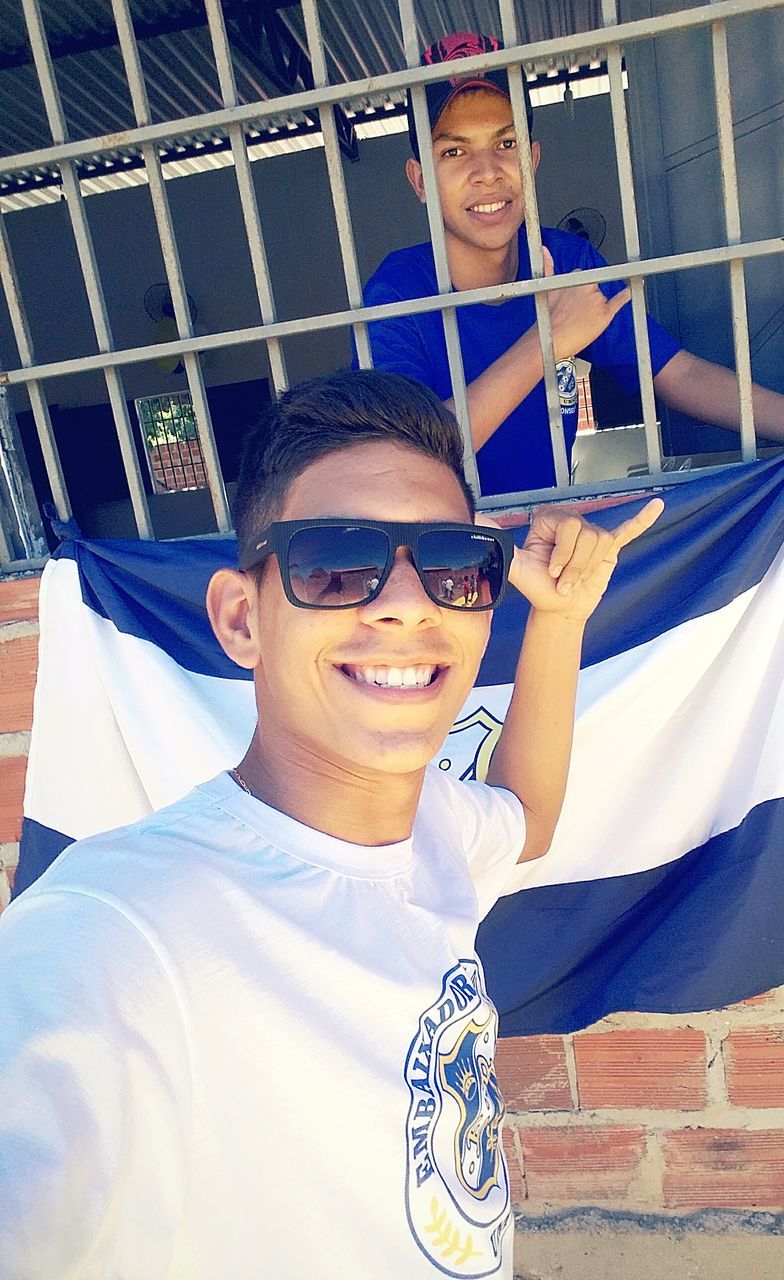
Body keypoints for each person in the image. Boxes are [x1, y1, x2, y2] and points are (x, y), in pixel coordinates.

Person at [0, 369, 662, 1278]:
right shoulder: (114, 934)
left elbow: (528, 819)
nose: (404, 603)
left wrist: (560, 618)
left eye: (452, 565)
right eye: (333, 564)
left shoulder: (437, 832)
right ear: (243, 619)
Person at [360, 30, 784, 496]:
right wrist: (548, 339)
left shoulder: (569, 261)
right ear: (420, 181)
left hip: (554, 531)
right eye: (454, 151)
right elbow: (413, 453)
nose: (487, 171)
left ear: (531, 160)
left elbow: (678, 374)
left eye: (506, 144)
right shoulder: (396, 292)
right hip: (450, 552)